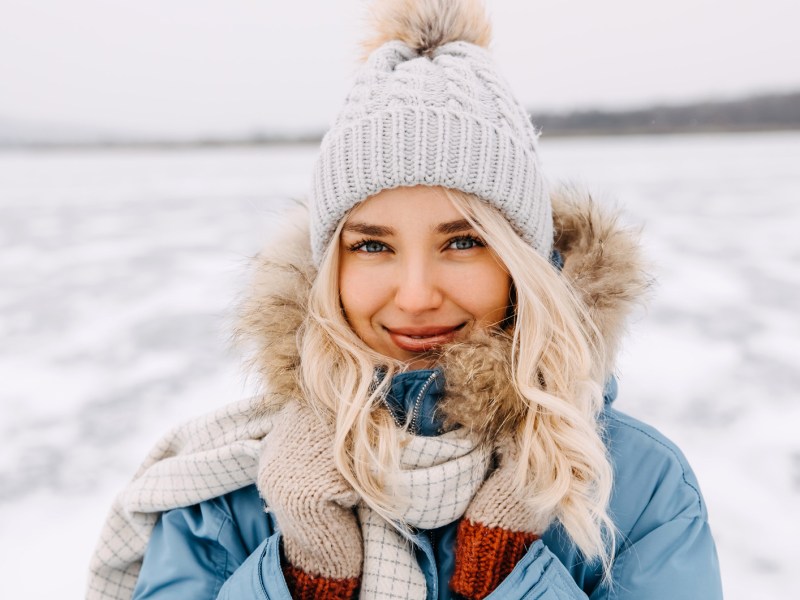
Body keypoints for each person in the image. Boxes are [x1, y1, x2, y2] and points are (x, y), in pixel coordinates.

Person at [87, 1, 723, 599]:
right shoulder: (224, 496)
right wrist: (306, 576)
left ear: (522, 264)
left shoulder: (636, 490)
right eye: (371, 247)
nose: (416, 296)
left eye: (464, 243)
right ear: (326, 269)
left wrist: (506, 575)